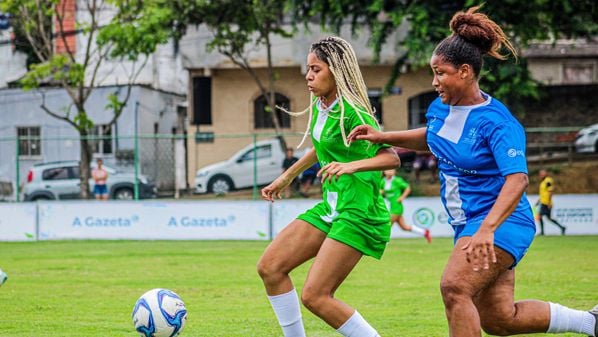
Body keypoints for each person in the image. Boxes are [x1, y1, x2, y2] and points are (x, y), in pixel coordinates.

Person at [348, 6, 597, 337]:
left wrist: (486, 230)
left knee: (454, 288)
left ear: (465, 72)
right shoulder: (441, 108)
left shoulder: (497, 123)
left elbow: (518, 179)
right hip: (469, 224)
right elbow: (432, 137)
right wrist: (382, 135)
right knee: (498, 319)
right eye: (433, 73)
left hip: (501, 223)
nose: (434, 82)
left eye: (441, 73)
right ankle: (590, 322)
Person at [257, 36, 400, 337]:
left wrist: (351, 166)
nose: (309, 76)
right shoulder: (324, 104)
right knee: (270, 267)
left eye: (316, 69)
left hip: (359, 213)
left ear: (336, 71)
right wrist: (287, 176)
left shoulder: (354, 112)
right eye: (307, 69)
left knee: (315, 295)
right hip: (334, 207)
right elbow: (322, 147)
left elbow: (391, 157)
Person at [381, 168, 432, 243]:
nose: (390, 171)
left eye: (392, 170)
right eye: (388, 170)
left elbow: (407, 188)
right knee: (404, 227)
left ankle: (383, 242)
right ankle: (424, 232)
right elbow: (380, 191)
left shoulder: (397, 180)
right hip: (390, 206)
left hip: (397, 206)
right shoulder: (383, 181)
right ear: (384, 172)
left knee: (388, 224)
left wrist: (402, 197)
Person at [537, 169, 566, 235]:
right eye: (540, 174)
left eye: (542, 173)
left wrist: (549, 202)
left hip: (546, 203)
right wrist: (538, 201)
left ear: (546, 173)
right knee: (549, 218)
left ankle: (542, 232)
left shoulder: (548, 181)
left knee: (540, 216)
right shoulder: (543, 182)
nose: (541, 175)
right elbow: (543, 193)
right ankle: (562, 227)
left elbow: (550, 191)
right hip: (543, 202)